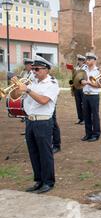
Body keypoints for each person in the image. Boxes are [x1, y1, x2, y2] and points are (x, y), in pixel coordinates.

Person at [10, 56, 60, 194]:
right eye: (33, 69)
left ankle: (48, 182)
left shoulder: (52, 83)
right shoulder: (32, 82)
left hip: (43, 121)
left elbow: (44, 100)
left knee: (45, 153)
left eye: (37, 69)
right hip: (30, 121)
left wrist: (27, 90)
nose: (34, 71)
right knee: (33, 152)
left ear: (46, 70)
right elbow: (14, 96)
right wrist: (16, 86)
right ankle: (39, 180)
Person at [80, 52, 101, 142]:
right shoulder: (84, 69)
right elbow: (79, 79)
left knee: (95, 116)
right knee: (86, 115)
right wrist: (81, 81)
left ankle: (96, 134)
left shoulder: (98, 71)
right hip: (85, 95)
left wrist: (88, 82)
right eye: (87, 59)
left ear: (94, 60)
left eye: (89, 59)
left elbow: (99, 85)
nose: (87, 61)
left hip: (94, 95)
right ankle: (88, 134)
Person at [73, 55, 87, 125]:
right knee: (78, 103)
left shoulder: (85, 68)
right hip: (76, 87)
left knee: (83, 104)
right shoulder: (76, 68)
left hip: (83, 87)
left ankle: (84, 119)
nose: (79, 62)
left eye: (80, 60)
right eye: (78, 60)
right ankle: (80, 118)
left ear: (83, 61)